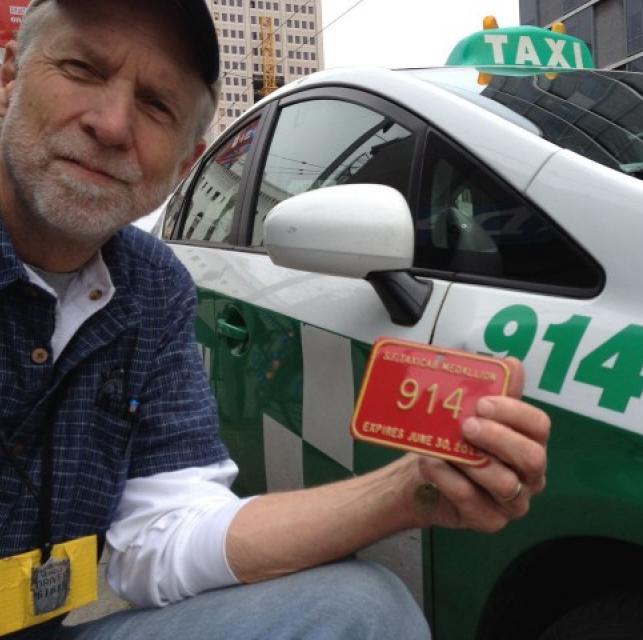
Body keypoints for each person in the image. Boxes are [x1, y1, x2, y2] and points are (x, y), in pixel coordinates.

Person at [0, 1, 550, 639]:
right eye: (81, 67)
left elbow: (164, 533)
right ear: (10, 75)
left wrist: (410, 491)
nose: (112, 123)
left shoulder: (153, 286)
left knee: (362, 610)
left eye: (156, 105)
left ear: (185, 163)